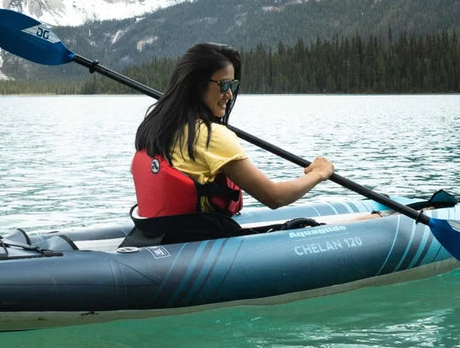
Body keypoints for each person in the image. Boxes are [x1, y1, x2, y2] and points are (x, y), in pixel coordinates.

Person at [124, 42, 334, 246]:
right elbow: (274, 197)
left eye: (233, 85)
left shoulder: (155, 127)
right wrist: (318, 174)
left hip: (158, 233)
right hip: (195, 241)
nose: (230, 94)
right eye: (224, 85)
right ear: (197, 85)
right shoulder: (211, 135)